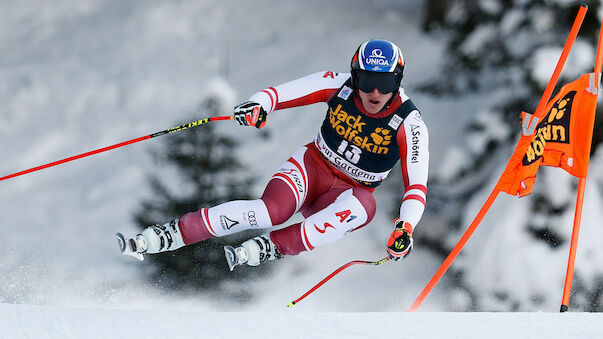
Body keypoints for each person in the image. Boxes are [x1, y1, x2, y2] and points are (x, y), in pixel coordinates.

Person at [117, 39, 429, 270]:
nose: (375, 93)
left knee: (366, 206)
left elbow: (416, 186)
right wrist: (259, 105)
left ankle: (271, 247)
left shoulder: (409, 122)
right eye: (368, 81)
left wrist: (405, 227)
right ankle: (171, 233)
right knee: (269, 212)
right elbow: (279, 94)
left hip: (349, 193)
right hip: (313, 167)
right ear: (355, 76)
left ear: (397, 81)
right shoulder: (339, 86)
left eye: (385, 83)